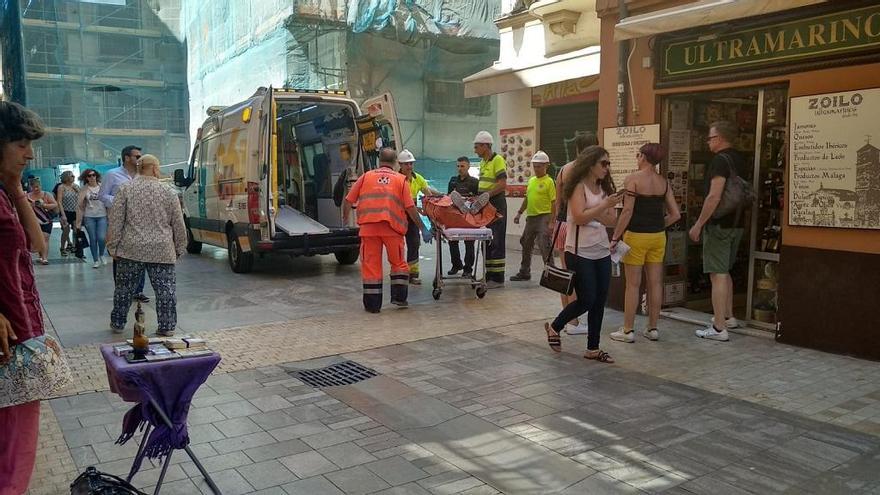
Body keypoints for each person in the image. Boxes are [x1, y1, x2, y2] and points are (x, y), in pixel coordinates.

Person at [0, 100, 48, 494]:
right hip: (8, 338)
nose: (29, 153)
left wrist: (16, 189)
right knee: (14, 451)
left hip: (23, 332)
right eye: (19, 143)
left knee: (18, 444)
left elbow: (38, 245)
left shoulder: (5, 194)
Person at [544, 146, 623, 363]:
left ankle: (593, 348)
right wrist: (604, 207)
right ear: (590, 165)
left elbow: (610, 220)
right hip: (579, 251)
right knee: (587, 298)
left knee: (600, 300)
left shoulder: (603, 189)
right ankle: (555, 326)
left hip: (601, 249)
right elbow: (578, 217)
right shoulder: (578, 187)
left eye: (609, 164)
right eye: (603, 163)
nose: (607, 168)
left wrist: (611, 208)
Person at [106, 155, 187, 336]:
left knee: (124, 289)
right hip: (162, 249)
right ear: (155, 169)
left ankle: (118, 323)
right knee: (165, 290)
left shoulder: (126, 189)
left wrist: (113, 247)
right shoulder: (168, 192)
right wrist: (180, 247)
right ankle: (167, 327)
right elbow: (178, 223)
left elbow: (116, 220)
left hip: (131, 248)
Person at [609, 143, 681, 343]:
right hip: (658, 237)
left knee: (632, 285)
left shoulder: (633, 179)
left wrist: (615, 237)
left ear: (643, 157)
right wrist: (658, 225)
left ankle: (627, 330)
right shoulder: (663, 182)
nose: (636, 157)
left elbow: (628, 211)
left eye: (638, 154)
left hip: (636, 236)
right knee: (655, 283)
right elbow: (675, 214)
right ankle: (653, 328)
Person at [343, 148, 421, 313]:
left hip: (369, 230)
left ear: (379, 160)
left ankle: (372, 305)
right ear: (394, 162)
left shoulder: (366, 177)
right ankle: (399, 299)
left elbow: (348, 200)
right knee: (399, 264)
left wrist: (345, 219)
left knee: (371, 266)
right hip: (393, 229)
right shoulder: (401, 181)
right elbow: (410, 207)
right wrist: (423, 227)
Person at [688, 121, 746, 342]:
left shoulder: (720, 161)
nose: (708, 141)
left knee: (717, 273)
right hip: (737, 223)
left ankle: (719, 327)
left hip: (719, 224)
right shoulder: (740, 159)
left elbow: (714, 196)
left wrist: (699, 224)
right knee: (725, 270)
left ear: (720, 138)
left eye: (711, 137)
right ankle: (729, 316)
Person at [554, 132, 599, 334]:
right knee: (585, 277)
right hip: (583, 227)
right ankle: (576, 322)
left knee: (566, 275)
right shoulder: (592, 171)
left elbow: (558, 203)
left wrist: (555, 223)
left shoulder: (564, 169)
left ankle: (570, 320)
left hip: (563, 225)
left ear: (577, 149)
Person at [101, 145, 150, 303]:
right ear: (127, 158)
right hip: (119, 221)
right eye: (137, 156)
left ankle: (139, 290)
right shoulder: (112, 175)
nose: (139, 160)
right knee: (120, 254)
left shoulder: (143, 176)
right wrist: (121, 201)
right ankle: (122, 289)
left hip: (140, 222)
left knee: (140, 253)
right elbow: (102, 196)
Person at [511, 151, 556, 281]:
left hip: (544, 217)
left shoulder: (549, 182)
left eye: (539, 166)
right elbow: (527, 199)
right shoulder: (531, 181)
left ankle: (551, 273)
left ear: (546, 166)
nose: (536, 169)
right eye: (534, 166)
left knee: (544, 244)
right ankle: (524, 271)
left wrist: (552, 222)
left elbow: (554, 202)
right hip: (531, 218)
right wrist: (519, 213)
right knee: (526, 243)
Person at [398, 149, 439, 285]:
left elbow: (427, 194)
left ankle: (412, 274)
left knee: (414, 242)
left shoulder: (417, 178)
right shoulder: (396, 179)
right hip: (398, 213)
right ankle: (399, 272)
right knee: (398, 244)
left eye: (411, 164)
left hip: (412, 214)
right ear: (400, 165)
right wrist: (418, 209)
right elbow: (404, 204)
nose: (409, 167)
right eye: (406, 164)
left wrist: (437, 199)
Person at [474, 131, 507, 288]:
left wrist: (487, 195)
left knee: (497, 240)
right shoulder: (483, 162)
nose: (475, 150)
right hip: (485, 204)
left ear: (486, 146)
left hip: (496, 204)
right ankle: (489, 275)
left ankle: (498, 278)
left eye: (477, 147)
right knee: (486, 240)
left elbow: (502, 184)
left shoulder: (497, 160)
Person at [447, 156, 479, 277]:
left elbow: (477, 198)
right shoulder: (453, 180)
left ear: (468, 166)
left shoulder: (475, 182)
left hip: (469, 215)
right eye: (458, 166)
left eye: (462, 166)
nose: (460, 169)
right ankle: (456, 265)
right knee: (452, 241)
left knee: (469, 242)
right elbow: (448, 197)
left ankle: (468, 269)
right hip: (455, 215)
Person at [75, 168, 108, 268]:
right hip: (89, 216)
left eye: (93, 175)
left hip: (102, 215)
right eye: (89, 176)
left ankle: (101, 254)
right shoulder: (84, 189)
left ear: (96, 176)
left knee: (101, 238)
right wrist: (78, 222)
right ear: (86, 178)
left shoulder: (102, 186)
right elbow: (80, 206)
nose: (92, 177)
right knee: (93, 239)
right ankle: (95, 260)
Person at [25, 177, 57, 265]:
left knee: (45, 238)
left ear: (40, 186)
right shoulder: (27, 196)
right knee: (38, 239)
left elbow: (55, 204)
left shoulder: (47, 194)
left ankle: (45, 258)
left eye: (38, 187)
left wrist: (44, 205)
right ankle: (41, 256)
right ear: (31, 187)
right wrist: (30, 205)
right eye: (34, 187)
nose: (36, 189)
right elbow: (22, 208)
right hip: (34, 222)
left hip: (46, 220)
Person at [55, 170, 81, 259]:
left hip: (75, 211)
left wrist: (78, 190)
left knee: (75, 229)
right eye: (71, 176)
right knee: (66, 230)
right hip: (65, 211)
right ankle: (62, 247)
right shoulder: (61, 187)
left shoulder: (76, 186)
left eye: (74, 176)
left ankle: (74, 246)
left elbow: (81, 198)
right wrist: (63, 214)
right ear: (66, 177)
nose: (73, 177)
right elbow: (59, 201)